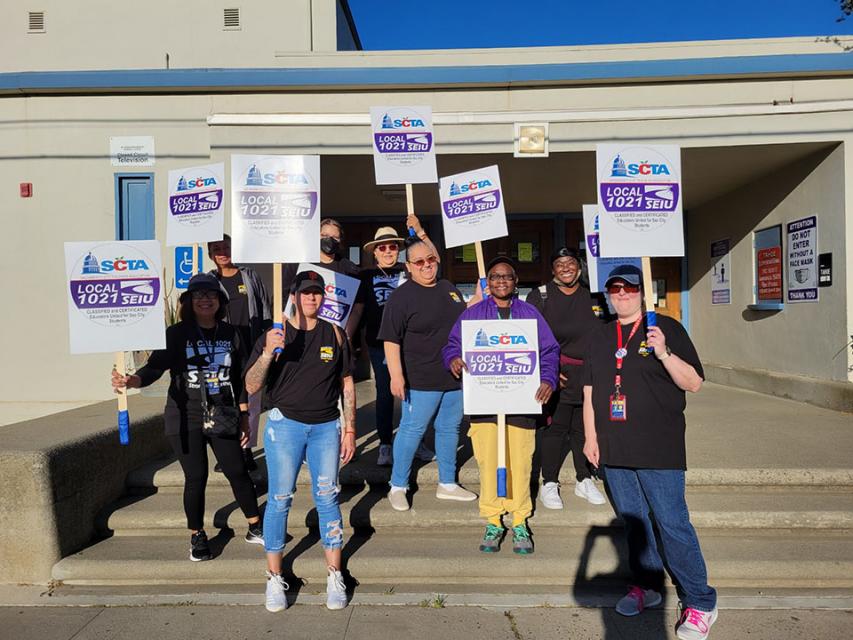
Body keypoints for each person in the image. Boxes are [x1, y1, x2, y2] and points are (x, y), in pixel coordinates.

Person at [582, 264, 717, 640]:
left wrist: (664, 352)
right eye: (615, 289)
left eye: (629, 288)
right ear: (608, 295)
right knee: (635, 524)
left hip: (659, 446)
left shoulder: (666, 327)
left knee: (672, 523)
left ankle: (700, 601)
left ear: (642, 292)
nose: (622, 294)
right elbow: (590, 390)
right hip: (614, 446)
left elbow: (694, 383)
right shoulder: (600, 335)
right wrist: (590, 438)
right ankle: (647, 586)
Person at [111, 273, 263, 562]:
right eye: (198, 295)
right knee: (196, 477)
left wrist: (244, 415)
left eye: (211, 295)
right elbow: (154, 368)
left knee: (237, 471)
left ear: (220, 301)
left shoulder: (231, 333)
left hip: (223, 413)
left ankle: (255, 526)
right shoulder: (176, 334)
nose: (205, 300)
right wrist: (132, 381)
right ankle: (197, 535)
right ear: (189, 302)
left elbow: (241, 378)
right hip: (184, 415)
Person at [244, 270, 357, 613]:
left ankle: (334, 574)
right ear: (293, 296)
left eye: (317, 292)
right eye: (305, 292)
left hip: (326, 427)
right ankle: (274, 577)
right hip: (285, 427)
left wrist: (350, 429)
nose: (312, 297)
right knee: (279, 500)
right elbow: (251, 385)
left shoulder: (335, 333)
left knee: (328, 497)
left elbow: (347, 383)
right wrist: (268, 353)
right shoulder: (276, 334)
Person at [443, 257, 560, 554]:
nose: (501, 281)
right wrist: (453, 359)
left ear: (516, 281)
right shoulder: (473, 315)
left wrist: (548, 379)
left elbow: (549, 350)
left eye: (507, 276)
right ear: (488, 282)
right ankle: (493, 519)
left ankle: (519, 519)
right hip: (485, 402)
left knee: (520, 462)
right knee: (488, 461)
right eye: (495, 276)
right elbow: (453, 344)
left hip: (521, 402)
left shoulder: (530, 314)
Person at [378, 237, 478, 511]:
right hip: (420, 378)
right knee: (412, 430)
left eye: (430, 259)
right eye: (419, 261)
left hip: (453, 375)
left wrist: (478, 297)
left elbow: (462, 317)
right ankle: (398, 485)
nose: (426, 265)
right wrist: (396, 376)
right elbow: (390, 340)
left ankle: (447, 482)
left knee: (449, 429)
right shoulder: (401, 297)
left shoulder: (448, 288)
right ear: (409, 266)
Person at [526, 247, 606, 508]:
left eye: (570, 262)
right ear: (552, 270)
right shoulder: (540, 296)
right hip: (556, 373)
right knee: (555, 429)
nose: (566, 268)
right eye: (559, 264)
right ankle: (549, 482)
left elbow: (607, 333)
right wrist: (544, 371)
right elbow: (527, 336)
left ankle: (584, 478)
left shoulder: (594, 296)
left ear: (579, 267)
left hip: (590, 373)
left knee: (584, 428)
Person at [359, 215, 437, 467]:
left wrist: (420, 232)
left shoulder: (409, 269)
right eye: (382, 247)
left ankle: (417, 442)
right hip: (379, 343)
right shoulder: (365, 276)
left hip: (410, 342)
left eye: (392, 246)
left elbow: (433, 259)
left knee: (413, 393)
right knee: (385, 392)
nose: (388, 251)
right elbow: (357, 308)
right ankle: (385, 444)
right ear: (375, 252)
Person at [207, 234, 272, 471]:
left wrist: (266, 340)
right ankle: (228, 452)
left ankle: (246, 450)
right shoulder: (209, 280)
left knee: (250, 400)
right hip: (221, 349)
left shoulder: (249, 275)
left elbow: (265, 307)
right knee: (223, 399)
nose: (222, 252)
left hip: (250, 347)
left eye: (226, 247)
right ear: (210, 254)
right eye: (216, 248)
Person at [282, 218, 364, 339]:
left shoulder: (349, 269)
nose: (329, 240)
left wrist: (346, 336)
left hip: (332, 336)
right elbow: (282, 295)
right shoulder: (298, 263)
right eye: (324, 235)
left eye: (335, 237)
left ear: (340, 240)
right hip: (297, 332)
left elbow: (358, 306)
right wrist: (283, 322)